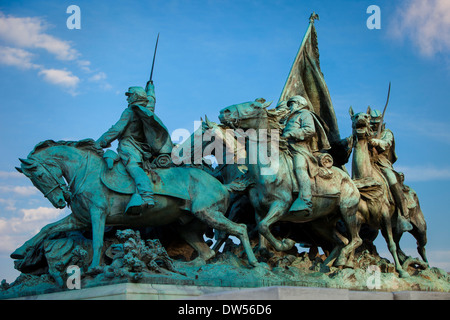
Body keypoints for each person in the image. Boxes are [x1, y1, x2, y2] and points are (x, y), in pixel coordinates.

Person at [97, 81, 172, 215]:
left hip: (129, 147)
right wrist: (151, 90)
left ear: (136, 97)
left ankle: (146, 196)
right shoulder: (145, 111)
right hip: (141, 148)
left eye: (129, 95)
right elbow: (151, 103)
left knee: (133, 167)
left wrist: (99, 143)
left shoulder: (130, 111)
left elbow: (116, 130)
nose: (127, 98)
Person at [282, 95, 331, 213]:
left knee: (299, 167)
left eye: (291, 104)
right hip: (285, 147)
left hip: (300, 148)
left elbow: (310, 130)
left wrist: (291, 133)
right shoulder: (287, 118)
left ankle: (305, 200)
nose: (290, 107)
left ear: (299, 103)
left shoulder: (305, 114)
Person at [368, 108, 413, 232]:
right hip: (368, 165)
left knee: (392, 180)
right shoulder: (367, 134)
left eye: (376, 123)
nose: (374, 125)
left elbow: (386, 144)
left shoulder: (387, 133)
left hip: (383, 164)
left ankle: (403, 214)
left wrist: (376, 141)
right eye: (372, 123)